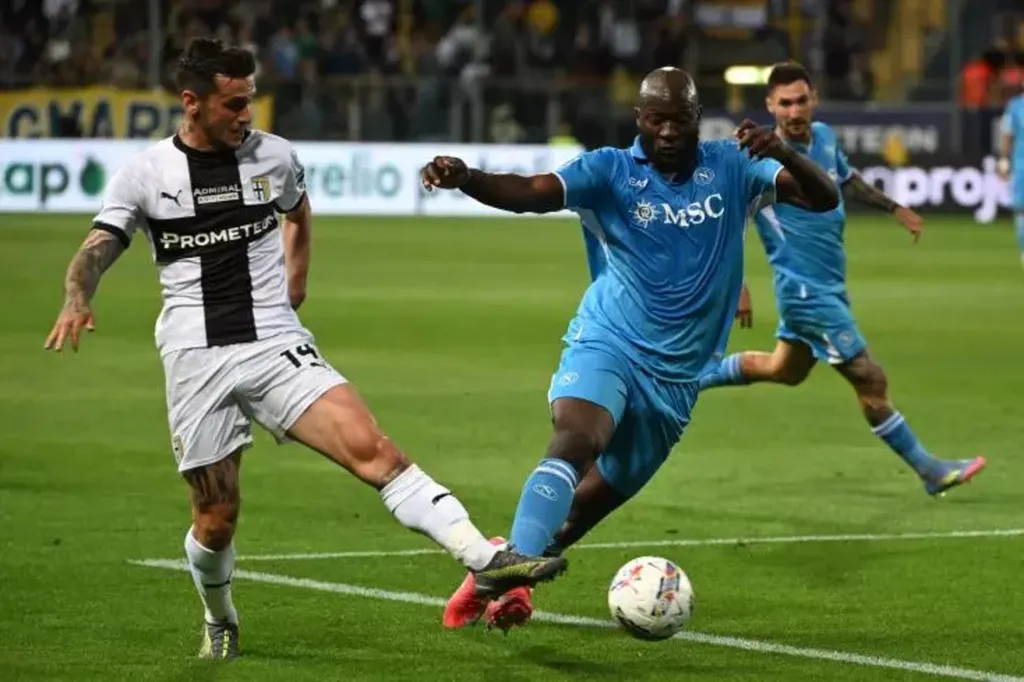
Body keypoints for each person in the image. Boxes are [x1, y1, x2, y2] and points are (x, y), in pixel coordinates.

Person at [42, 37, 566, 659]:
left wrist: (296, 280)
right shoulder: (146, 174)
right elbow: (98, 246)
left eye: (251, 101)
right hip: (196, 356)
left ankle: (485, 558)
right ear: (192, 102)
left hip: (274, 342)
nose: (247, 115)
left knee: (374, 450)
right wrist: (76, 296)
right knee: (216, 519)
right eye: (234, 104)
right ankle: (219, 616)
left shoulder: (274, 156)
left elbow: (297, 212)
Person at [420, 66, 840, 632]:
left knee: (575, 517)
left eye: (679, 120)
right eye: (655, 119)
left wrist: (784, 153)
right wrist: (467, 177)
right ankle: (510, 572)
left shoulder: (735, 165)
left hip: (677, 379)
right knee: (576, 439)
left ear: (697, 118)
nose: (667, 131)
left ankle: (498, 573)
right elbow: (530, 194)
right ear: (639, 118)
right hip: (610, 340)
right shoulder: (609, 170)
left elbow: (823, 198)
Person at [698, 62, 987, 496]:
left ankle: (692, 377)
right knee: (870, 379)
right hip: (805, 292)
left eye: (801, 100)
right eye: (785, 103)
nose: (794, 111)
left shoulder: (826, 137)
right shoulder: (762, 160)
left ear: (813, 98)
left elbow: (847, 181)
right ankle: (930, 471)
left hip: (828, 284)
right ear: (770, 106)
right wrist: (737, 284)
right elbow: (729, 220)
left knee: (784, 369)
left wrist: (894, 208)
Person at [997, 74, 1024, 266]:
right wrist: (1004, 160)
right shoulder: (1015, 106)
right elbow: (1007, 134)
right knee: (1021, 209)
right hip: (1022, 164)